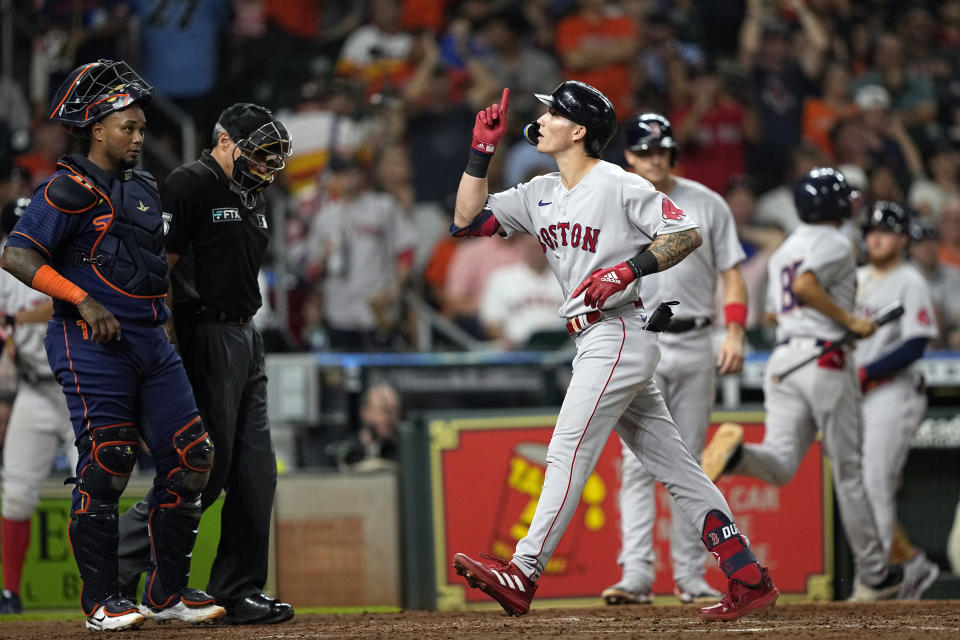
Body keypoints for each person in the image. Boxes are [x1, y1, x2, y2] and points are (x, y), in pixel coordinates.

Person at [449, 81, 778, 621]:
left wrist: (631, 268)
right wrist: (480, 154)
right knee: (679, 468)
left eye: (553, 111)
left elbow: (686, 233)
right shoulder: (539, 191)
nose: (544, 117)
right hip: (598, 337)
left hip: (618, 331)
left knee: (567, 450)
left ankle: (525, 569)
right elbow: (466, 221)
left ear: (578, 130)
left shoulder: (618, 183)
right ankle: (746, 573)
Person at [0, 59, 225, 631]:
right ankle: (101, 601)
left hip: (153, 341)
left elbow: (155, 267)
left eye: (142, 129)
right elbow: (18, 255)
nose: (138, 137)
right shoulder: (64, 187)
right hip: (89, 342)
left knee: (193, 458)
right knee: (109, 461)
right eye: (128, 127)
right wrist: (81, 299)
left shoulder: (146, 187)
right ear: (97, 128)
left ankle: (167, 592)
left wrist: (167, 322)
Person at [116, 103, 295, 625]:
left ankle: (238, 588)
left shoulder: (252, 195)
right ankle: (117, 559)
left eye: (270, 159)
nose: (264, 166)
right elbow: (159, 270)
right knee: (203, 473)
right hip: (201, 335)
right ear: (222, 142)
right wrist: (165, 343)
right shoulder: (189, 184)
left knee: (257, 473)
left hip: (246, 334)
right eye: (256, 155)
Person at [700, 167, 906, 601]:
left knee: (780, 461)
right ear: (833, 203)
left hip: (785, 358)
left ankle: (737, 457)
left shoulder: (786, 247)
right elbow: (806, 285)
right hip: (825, 359)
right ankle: (875, 574)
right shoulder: (835, 240)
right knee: (849, 473)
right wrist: (851, 320)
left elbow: (777, 310)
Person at [601, 113, 748, 606]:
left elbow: (732, 273)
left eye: (662, 150)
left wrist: (736, 331)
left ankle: (690, 575)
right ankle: (637, 573)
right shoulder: (614, 200)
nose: (654, 158)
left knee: (691, 464)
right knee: (636, 462)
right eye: (645, 151)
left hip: (698, 340)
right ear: (629, 155)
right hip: (640, 340)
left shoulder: (707, 203)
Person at [854, 202, 939, 599]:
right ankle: (911, 566)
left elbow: (917, 343)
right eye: (871, 230)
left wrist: (868, 373)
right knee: (863, 487)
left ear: (903, 239)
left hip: (894, 390)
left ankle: (880, 580)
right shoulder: (857, 278)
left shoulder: (910, 280)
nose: (876, 237)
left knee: (874, 484)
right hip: (858, 394)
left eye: (885, 231)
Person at [0, 198, 76, 615]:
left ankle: (103, 589)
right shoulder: (3, 265)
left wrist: (17, 323)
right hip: (32, 388)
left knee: (94, 490)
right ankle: (10, 593)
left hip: (77, 388)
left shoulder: (66, 255)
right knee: (15, 495)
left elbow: (62, 301)